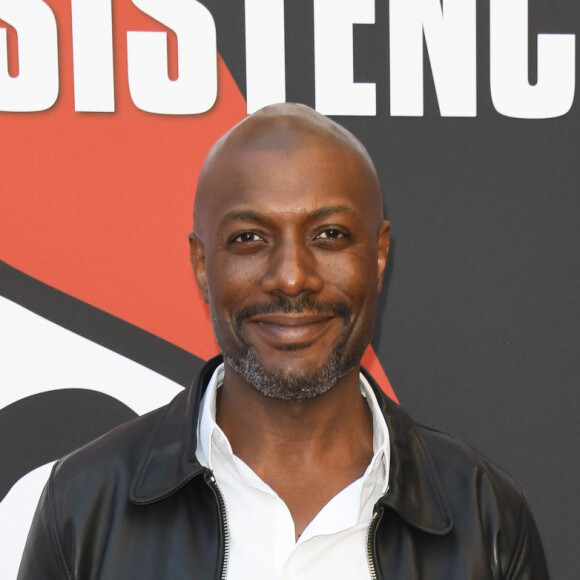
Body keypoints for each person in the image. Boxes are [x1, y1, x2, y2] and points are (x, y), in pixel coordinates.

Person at [17, 104, 549, 579]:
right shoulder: (85, 506)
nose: (292, 277)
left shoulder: (485, 518)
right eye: (249, 238)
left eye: (329, 235)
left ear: (379, 255)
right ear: (203, 266)